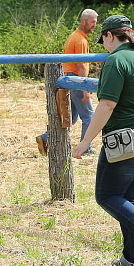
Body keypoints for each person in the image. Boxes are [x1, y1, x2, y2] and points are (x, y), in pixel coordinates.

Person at [72, 14, 134, 266]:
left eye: (103, 39)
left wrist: (85, 141)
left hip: (127, 137)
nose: (103, 45)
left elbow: (107, 105)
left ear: (109, 35)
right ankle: (133, 260)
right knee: (127, 197)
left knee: (107, 196)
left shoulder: (116, 60)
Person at [37, 8, 98, 156]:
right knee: (89, 116)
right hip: (76, 79)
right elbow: (81, 65)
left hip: (70, 77)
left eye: (95, 22)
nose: (94, 25)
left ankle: (46, 137)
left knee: (71, 116)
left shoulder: (74, 36)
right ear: (83, 21)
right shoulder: (81, 40)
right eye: (92, 22)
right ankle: (86, 149)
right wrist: (85, 88)